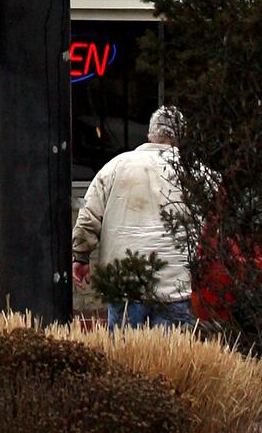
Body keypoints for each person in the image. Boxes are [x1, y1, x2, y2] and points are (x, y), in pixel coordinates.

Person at [71, 105, 194, 329]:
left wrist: (80, 257)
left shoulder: (116, 166)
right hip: (175, 285)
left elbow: (88, 217)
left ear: (149, 135)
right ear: (181, 137)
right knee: (172, 361)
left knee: (124, 358)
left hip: (125, 284)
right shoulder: (192, 171)